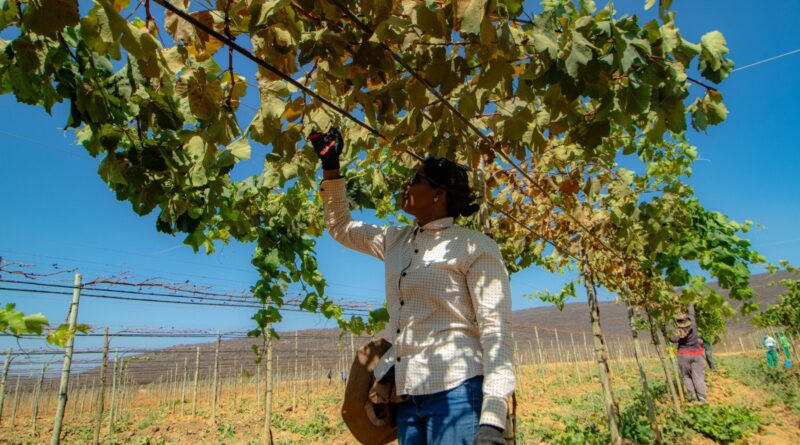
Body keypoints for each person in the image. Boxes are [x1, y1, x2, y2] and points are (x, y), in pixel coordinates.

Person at [310, 128, 514, 445]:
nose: (406, 184)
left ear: (438, 194)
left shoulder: (474, 246)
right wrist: (331, 166)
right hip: (407, 399)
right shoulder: (397, 241)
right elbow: (342, 227)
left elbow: (495, 329)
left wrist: (493, 419)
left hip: (458, 392)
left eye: (416, 179)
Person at [669, 304, 707, 403]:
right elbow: (691, 313)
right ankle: (702, 397)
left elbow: (672, 339)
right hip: (696, 354)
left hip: (683, 356)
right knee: (698, 376)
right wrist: (689, 302)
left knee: (686, 376)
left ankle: (693, 396)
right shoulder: (693, 324)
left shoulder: (679, 333)